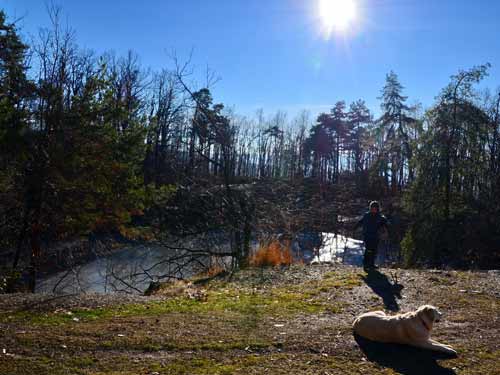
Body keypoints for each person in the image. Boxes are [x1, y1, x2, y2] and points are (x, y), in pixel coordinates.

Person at [353, 201, 389, 270]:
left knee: (374, 250)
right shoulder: (367, 215)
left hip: (376, 236)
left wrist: (387, 228)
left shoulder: (380, 217)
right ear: (370, 208)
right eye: (372, 208)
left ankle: (371, 264)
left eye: (375, 208)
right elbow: (360, 222)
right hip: (367, 235)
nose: (373, 209)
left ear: (377, 209)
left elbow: (385, 224)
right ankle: (366, 264)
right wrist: (355, 227)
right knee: (368, 250)